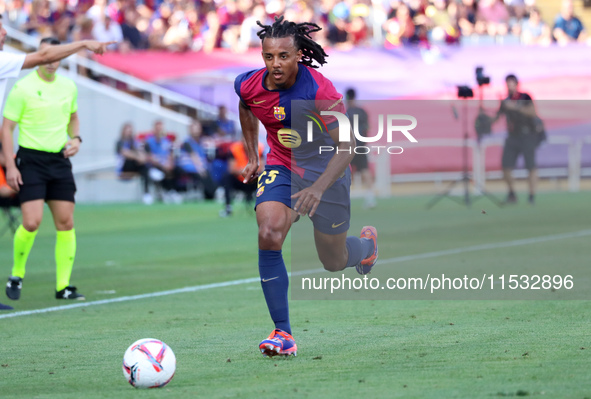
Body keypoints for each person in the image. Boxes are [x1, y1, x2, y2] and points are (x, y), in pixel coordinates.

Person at [235, 16, 378, 357]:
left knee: (333, 259)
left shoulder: (319, 91)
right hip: (282, 165)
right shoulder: (249, 84)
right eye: (269, 57)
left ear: (299, 54)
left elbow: (348, 147)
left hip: (326, 171)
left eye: (283, 56)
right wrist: (254, 153)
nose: (275, 64)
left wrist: (318, 187)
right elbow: (246, 106)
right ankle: (282, 333)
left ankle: (366, 248)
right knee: (269, 231)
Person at [0, 19, 112, 310]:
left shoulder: (68, 86)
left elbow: (74, 117)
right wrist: (10, 165)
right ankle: (17, 274)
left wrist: (76, 138)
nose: (52, 61)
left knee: (66, 222)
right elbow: (7, 127)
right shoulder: (22, 87)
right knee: (31, 221)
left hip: (59, 161)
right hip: (31, 159)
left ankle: (63, 286)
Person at [491, 74, 541, 205]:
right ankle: (512, 194)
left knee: (531, 166)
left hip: (527, 135)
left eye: (511, 83)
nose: (509, 86)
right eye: (507, 83)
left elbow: (533, 112)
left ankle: (531, 196)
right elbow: (496, 118)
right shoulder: (505, 101)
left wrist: (515, 107)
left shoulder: (525, 97)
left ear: (517, 84)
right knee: (506, 166)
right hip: (512, 136)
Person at [345, 88, 376, 209]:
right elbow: (367, 127)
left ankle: (344, 199)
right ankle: (370, 198)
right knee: (365, 170)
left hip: (349, 146)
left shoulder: (346, 113)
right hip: (361, 145)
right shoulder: (362, 111)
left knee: (346, 172)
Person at [219, 137, 264, 217]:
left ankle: (263, 208)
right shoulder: (235, 149)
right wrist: (247, 170)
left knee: (264, 177)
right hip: (240, 180)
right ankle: (228, 207)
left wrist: (246, 170)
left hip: (254, 180)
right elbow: (232, 169)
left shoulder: (260, 148)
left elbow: (262, 168)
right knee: (227, 177)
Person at [177, 119, 217, 200]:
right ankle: (212, 193)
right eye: (194, 128)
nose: (196, 130)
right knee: (202, 173)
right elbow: (193, 156)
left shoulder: (201, 141)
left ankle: (212, 193)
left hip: (199, 166)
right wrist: (200, 168)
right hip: (189, 167)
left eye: (198, 128)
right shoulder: (187, 142)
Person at [115, 122, 151, 202]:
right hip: (124, 167)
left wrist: (141, 157)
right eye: (127, 131)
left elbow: (141, 151)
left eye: (130, 131)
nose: (129, 133)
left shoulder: (134, 142)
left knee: (145, 168)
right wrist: (137, 157)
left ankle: (146, 193)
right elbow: (125, 153)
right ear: (123, 131)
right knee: (133, 160)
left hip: (135, 165)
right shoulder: (120, 142)